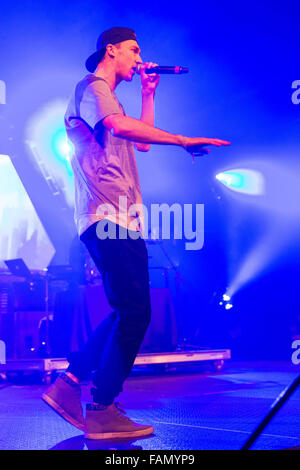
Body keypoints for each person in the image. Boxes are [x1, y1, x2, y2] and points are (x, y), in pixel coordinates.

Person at [42, 26, 230, 440]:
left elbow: (138, 141)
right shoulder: (92, 88)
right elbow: (125, 130)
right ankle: (102, 406)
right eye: (134, 50)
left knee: (125, 310)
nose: (139, 57)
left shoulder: (110, 100)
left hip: (118, 217)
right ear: (112, 51)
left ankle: (69, 386)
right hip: (108, 215)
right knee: (135, 312)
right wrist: (182, 140)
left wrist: (148, 95)